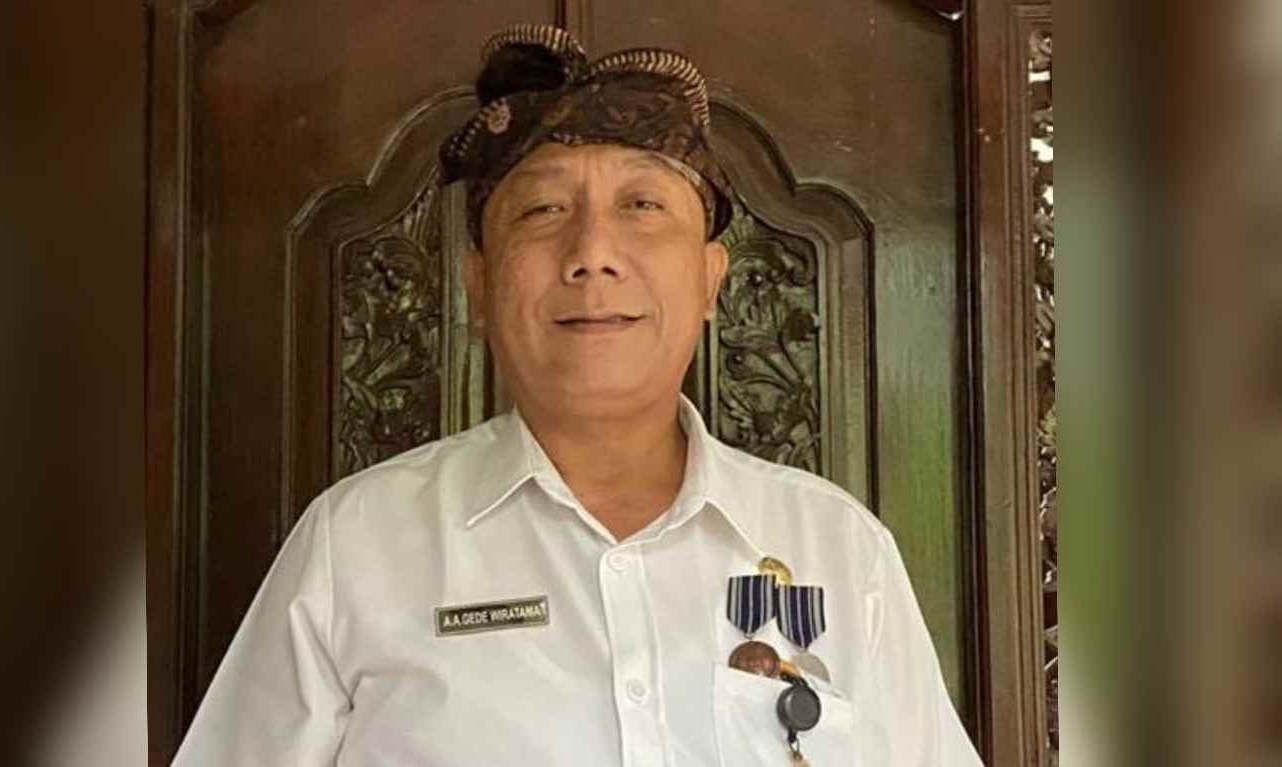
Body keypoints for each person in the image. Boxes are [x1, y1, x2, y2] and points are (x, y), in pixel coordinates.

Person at [172, 25, 984, 766]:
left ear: (710, 281)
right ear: (477, 286)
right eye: (543, 208)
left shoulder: (837, 546)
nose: (593, 251)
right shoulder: (357, 544)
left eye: (642, 206)